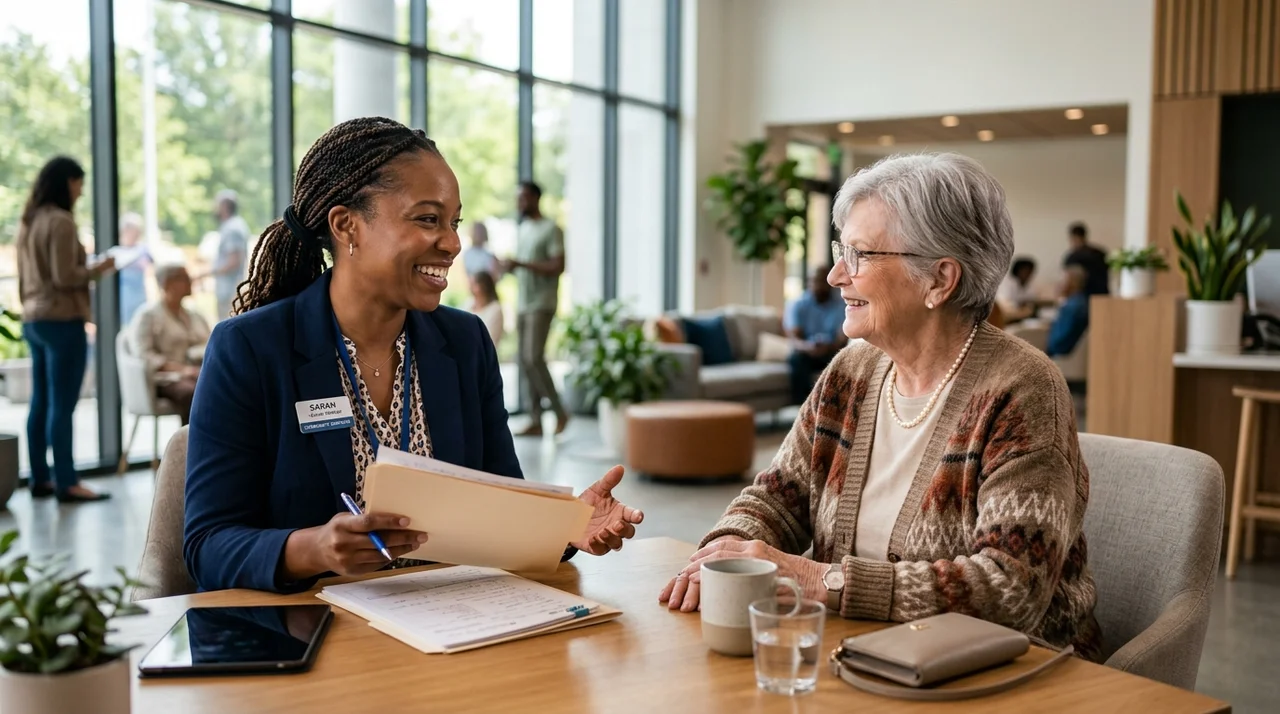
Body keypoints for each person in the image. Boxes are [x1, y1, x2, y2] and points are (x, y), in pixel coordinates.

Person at [658, 153, 1102, 661]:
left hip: (1010, 675)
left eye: (861, 254)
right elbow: (776, 498)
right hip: (863, 657)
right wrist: (724, 555)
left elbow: (1009, 589)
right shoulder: (853, 371)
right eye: (839, 250)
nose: (834, 276)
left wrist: (821, 578)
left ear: (939, 279)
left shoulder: (1022, 389)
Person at [183, 117, 642, 594]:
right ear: (347, 226)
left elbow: (503, 509)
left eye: (454, 222)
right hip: (315, 633)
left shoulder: (465, 343)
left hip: (449, 626)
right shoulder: (250, 349)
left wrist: (564, 529)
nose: (453, 243)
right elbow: (207, 546)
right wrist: (314, 548)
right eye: (428, 219)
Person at [15, 156, 114, 503]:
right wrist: (98, 268)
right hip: (61, 320)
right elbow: (65, 276)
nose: (81, 191)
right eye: (79, 183)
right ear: (66, 182)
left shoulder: (29, 221)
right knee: (63, 404)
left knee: (40, 401)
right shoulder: (60, 222)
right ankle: (68, 481)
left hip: (34, 319)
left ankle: (41, 478)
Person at [501, 181, 567, 437]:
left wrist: (523, 264)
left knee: (533, 358)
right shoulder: (524, 228)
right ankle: (536, 420)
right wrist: (510, 267)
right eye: (518, 197)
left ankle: (561, 412)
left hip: (542, 302)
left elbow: (557, 266)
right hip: (524, 303)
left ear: (536, 198)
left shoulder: (551, 229)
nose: (520, 202)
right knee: (525, 362)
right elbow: (524, 265)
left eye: (524, 197)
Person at [129, 264, 210, 425]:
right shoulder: (148, 316)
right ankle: (189, 445)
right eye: (183, 278)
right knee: (195, 393)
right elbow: (144, 355)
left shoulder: (194, 316)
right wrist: (183, 370)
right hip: (165, 379)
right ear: (167, 284)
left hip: (196, 373)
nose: (190, 282)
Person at [784, 266, 846, 404]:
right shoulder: (798, 305)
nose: (818, 285)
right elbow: (794, 339)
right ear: (808, 282)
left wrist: (830, 347)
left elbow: (842, 336)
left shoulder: (841, 304)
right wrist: (809, 348)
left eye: (822, 281)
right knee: (796, 359)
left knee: (845, 358)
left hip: (831, 350)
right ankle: (801, 405)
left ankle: (835, 407)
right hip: (807, 352)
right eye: (814, 281)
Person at [207, 189, 250, 319]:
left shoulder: (232, 229)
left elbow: (233, 262)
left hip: (229, 290)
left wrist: (205, 273)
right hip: (229, 289)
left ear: (224, 206)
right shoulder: (235, 225)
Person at [1046, 265, 1090, 358]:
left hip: (1062, 354)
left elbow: (1058, 343)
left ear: (1071, 282)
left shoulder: (1071, 307)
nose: (1059, 283)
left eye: (1062, 280)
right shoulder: (1081, 301)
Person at [117, 212, 151, 325]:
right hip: (121, 301)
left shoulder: (142, 251)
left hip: (139, 299)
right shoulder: (116, 252)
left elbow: (149, 275)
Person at [1062, 222, 1109, 296]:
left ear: (1073, 238)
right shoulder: (1100, 253)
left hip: (1082, 297)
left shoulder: (1073, 257)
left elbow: (1068, 280)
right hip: (1102, 295)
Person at [996, 256, 1037, 321]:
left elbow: (1031, 300)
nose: (1028, 274)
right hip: (1005, 313)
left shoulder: (1028, 284)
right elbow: (1004, 304)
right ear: (1017, 270)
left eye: (1030, 271)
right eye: (1025, 271)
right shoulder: (1008, 282)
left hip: (1020, 314)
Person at [470, 271, 504, 346]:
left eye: (473, 285)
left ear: (483, 287)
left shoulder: (495, 309)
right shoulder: (469, 304)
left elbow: (489, 339)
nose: (470, 288)